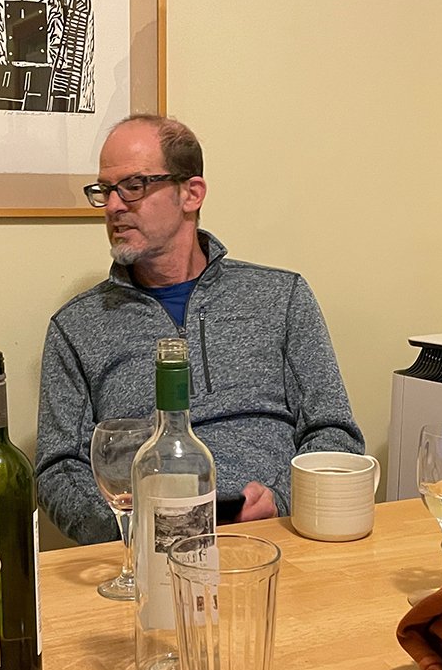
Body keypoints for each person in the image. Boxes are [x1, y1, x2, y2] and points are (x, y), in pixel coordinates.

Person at [36, 113, 364, 544]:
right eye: (105, 191)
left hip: (278, 538)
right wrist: (129, 529)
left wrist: (281, 502)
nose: (113, 206)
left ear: (191, 193)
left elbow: (335, 433)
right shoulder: (76, 327)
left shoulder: (281, 298)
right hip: (146, 553)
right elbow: (58, 469)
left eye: (133, 187)